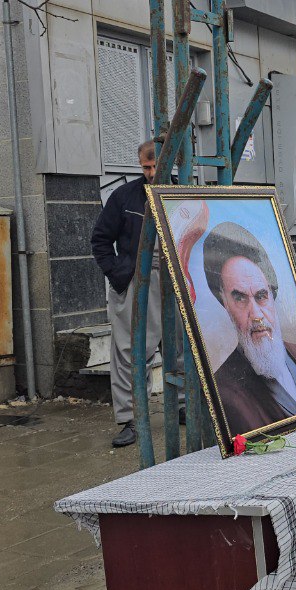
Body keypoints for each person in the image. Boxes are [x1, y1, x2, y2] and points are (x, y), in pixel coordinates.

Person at [90, 140, 182, 448]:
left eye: (157, 166)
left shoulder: (183, 192)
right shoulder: (124, 196)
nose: (153, 172)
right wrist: (119, 275)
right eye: (146, 167)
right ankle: (130, 419)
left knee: (180, 347)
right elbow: (100, 240)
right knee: (130, 353)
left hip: (175, 283)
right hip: (135, 281)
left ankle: (182, 406)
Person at [202, 222, 296, 434]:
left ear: (272, 295)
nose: (256, 315)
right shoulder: (224, 389)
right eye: (240, 298)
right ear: (225, 303)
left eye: (261, 296)